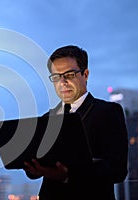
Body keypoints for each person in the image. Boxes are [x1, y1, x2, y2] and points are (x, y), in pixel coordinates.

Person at [23, 45, 128, 200]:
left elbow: (117, 170)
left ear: (85, 74)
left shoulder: (108, 112)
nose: (63, 82)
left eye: (69, 74)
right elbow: (34, 174)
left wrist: (68, 174)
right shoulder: (46, 119)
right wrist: (32, 165)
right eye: (57, 76)